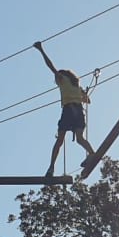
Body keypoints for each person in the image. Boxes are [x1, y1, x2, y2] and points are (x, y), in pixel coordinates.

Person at [33, 41, 96, 176]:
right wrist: (82, 94)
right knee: (79, 138)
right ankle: (91, 153)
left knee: (59, 140)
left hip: (69, 111)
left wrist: (41, 50)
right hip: (78, 112)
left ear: (62, 76)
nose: (56, 81)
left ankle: (51, 167)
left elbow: (50, 66)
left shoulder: (62, 79)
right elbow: (88, 101)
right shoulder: (77, 87)